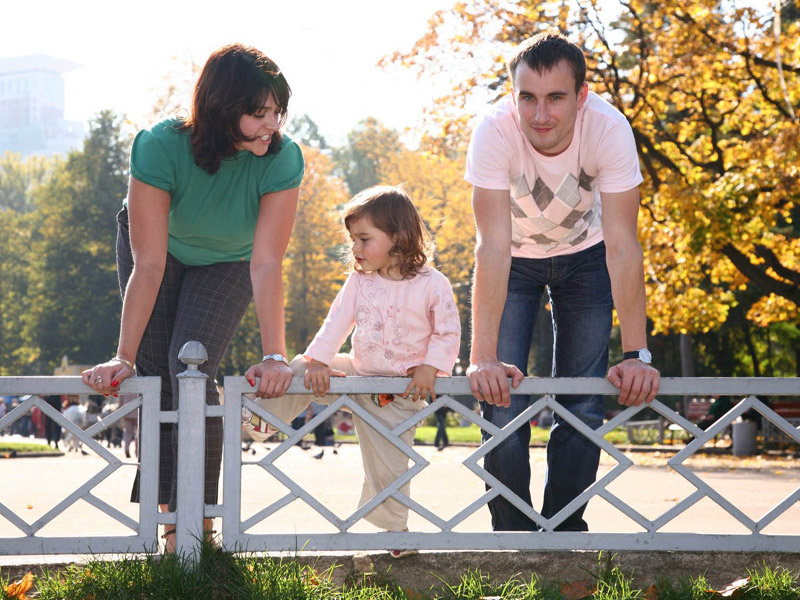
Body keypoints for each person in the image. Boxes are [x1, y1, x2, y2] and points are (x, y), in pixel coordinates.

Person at [81, 43, 304, 552]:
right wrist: (123, 356)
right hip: (161, 251)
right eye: (259, 112)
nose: (273, 124)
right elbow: (151, 262)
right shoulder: (160, 145)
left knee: (194, 369)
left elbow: (267, 262)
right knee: (159, 377)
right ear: (223, 108)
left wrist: (275, 355)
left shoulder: (283, 157)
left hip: (231, 259)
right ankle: (168, 525)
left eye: (278, 110)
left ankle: (198, 526)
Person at [464, 32, 661, 532]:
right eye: (527, 97)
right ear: (513, 95)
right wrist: (481, 355)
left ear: (582, 96)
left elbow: (622, 245)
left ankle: (564, 532)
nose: (540, 115)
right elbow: (490, 245)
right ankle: (513, 536)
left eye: (555, 98)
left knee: (582, 402)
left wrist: (637, 355)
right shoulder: (492, 130)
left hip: (587, 258)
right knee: (498, 395)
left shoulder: (610, 129)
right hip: (513, 259)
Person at [260, 185, 460, 556]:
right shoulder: (360, 281)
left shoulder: (433, 284)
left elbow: (449, 331)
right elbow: (336, 322)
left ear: (398, 238)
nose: (355, 248)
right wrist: (321, 361)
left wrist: (431, 368)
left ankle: (395, 533)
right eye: (353, 239)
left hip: (399, 392)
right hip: (354, 374)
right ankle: (262, 417)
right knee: (301, 366)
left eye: (364, 239)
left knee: (389, 465)